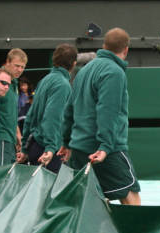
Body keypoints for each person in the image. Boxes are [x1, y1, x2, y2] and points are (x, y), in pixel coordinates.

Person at [60, 28, 141, 205]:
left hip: (79, 148)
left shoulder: (83, 71)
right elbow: (107, 110)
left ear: (104, 46)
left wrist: (66, 143)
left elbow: (69, 110)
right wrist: (105, 146)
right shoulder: (114, 72)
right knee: (130, 193)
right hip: (105, 149)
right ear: (126, 50)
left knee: (89, 202)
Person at [20, 44, 77, 172]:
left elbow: (31, 115)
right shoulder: (62, 85)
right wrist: (51, 148)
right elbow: (52, 117)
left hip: (37, 147)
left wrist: (24, 148)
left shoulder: (45, 80)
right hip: (48, 152)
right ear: (74, 64)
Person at [0, 48, 28, 164]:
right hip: (0, 138)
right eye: (17, 66)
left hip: (10, 139)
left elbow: (11, 113)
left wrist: (18, 135)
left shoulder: (14, 83)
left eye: (22, 67)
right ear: (7, 62)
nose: (20, 70)